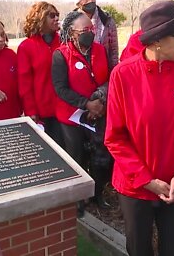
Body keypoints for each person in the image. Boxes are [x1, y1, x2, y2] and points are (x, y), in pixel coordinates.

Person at [105, 0, 174, 256]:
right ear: (157, 40)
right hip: (136, 187)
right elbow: (115, 138)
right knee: (139, 249)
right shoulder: (122, 75)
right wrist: (146, 180)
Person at [52, 11, 111, 213]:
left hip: (99, 111)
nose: (90, 33)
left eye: (92, 29)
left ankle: (97, 194)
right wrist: (86, 104)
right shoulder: (60, 55)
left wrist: (98, 101)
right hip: (72, 116)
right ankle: (78, 200)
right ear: (72, 32)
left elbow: (108, 77)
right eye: (85, 30)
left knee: (99, 157)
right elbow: (60, 89)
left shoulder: (100, 50)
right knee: (76, 157)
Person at [17, 1, 63, 146]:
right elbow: (24, 82)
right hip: (42, 111)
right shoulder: (26, 47)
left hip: (65, 108)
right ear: (40, 18)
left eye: (57, 15)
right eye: (51, 15)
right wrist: (30, 110)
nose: (56, 18)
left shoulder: (64, 41)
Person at [75, 0, 118, 69]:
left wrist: (113, 71)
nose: (91, 1)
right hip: (79, 70)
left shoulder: (106, 20)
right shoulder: (70, 22)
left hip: (103, 69)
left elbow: (113, 51)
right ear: (78, 2)